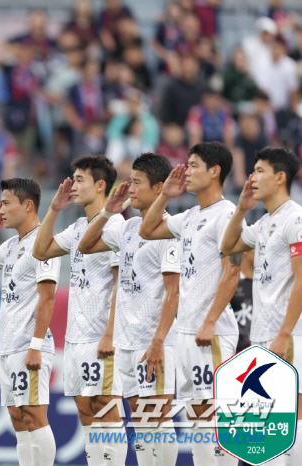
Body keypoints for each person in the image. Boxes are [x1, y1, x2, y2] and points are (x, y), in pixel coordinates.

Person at [138, 142, 241, 466]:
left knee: (212, 413)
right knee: (198, 414)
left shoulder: (226, 214)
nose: (187, 171)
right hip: (187, 332)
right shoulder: (191, 215)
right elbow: (147, 228)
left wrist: (210, 321)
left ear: (215, 171)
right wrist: (165, 195)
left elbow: (232, 271)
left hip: (210, 332)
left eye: (194, 165)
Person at [78, 153, 181, 466]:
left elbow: (174, 292)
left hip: (154, 341)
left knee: (155, 421)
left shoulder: (169, 230)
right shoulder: (129, 226)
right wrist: (109, 212)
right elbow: (85, 245)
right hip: (127, 342)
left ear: (160, 187)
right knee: (140, 423)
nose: (130, 188)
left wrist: (159, 341)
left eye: (137, 182)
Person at [32, 155, 127, 465]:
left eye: (80, 180)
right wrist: (53, 209)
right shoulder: (76, 227)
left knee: (106, 406)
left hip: (102, 335)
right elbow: (40, 250)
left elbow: (120, 286)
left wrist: (110, 335)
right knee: (86, 407)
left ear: (101, 185)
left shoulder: (116, 225)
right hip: (76, 337)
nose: (73, 186)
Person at [0, 178, 59, 466]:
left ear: (28, 205)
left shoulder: (43, 243)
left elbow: (47, 298)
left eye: (7, 203)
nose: (1, 208)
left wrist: (35, 345)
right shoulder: (10, 245)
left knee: (34, 416)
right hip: (9, 347)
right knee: (18, 418)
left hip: (30, 345)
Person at [221, 147, 302, 464]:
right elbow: (228, 246)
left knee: (291, 416)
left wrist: (284, 333)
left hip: (289, 334)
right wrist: (241, 210)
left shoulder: (296, 219)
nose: (251, 177)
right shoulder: (267, 222)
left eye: (259, 171)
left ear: (280, 177)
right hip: (265, 334)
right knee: (270, 423)